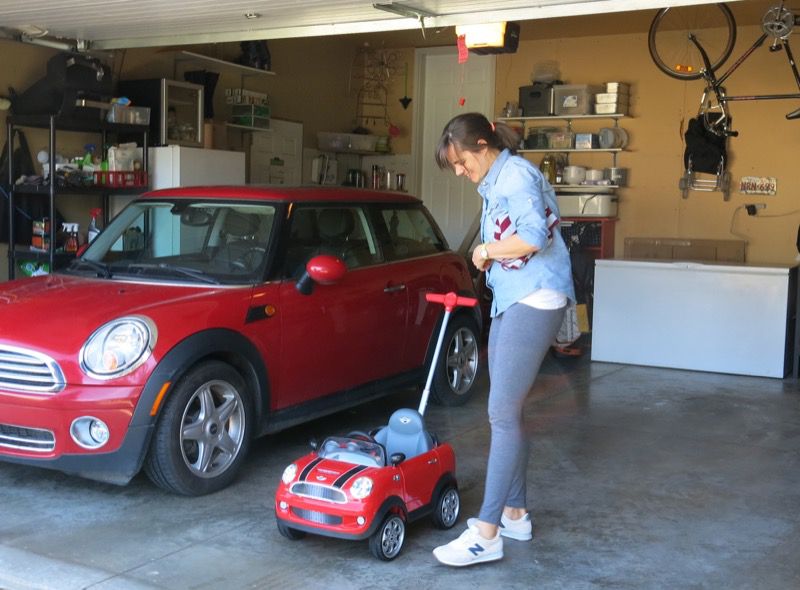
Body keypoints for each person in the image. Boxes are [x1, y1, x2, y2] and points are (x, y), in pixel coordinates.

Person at [431, 112, 575, 567]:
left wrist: (486, 251)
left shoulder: (513, 176)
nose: (458, 170)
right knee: (509, 410)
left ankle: (487, 533)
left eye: (459, 161)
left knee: (500, 412)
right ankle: (514, 513)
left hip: (534, 298)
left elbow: (531, 236)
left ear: (479, 145)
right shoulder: (498, 179)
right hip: (520, 297)